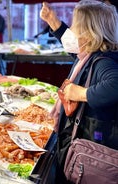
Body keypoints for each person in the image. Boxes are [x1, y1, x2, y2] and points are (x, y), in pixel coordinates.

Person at [40, 1, 118, 183]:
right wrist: (53, 21)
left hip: (92, 159)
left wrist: (79, 93)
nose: (72, 29)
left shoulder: (104, 61)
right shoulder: (89, 55)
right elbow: (72, 47)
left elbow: (115, 85)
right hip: (82, 153)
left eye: (75, 24)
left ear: (89, 32)